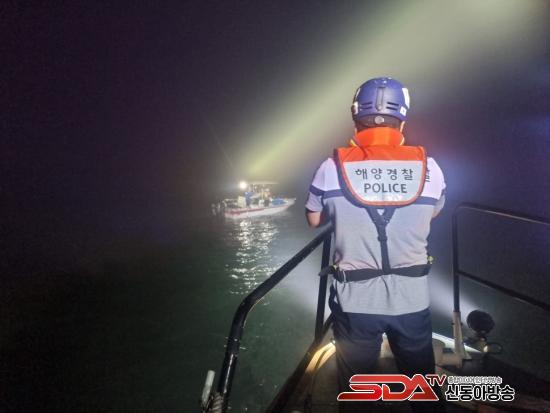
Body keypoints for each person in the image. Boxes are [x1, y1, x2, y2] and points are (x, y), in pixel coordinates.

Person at [305, 77, 446, 412]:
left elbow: (313, 220)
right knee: (422, 388)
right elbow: (433, 213)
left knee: (357, 394)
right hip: (412, 299)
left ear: (355, 119)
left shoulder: (331, 168)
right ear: (402, 122)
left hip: (355, 302)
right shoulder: (431, 169)